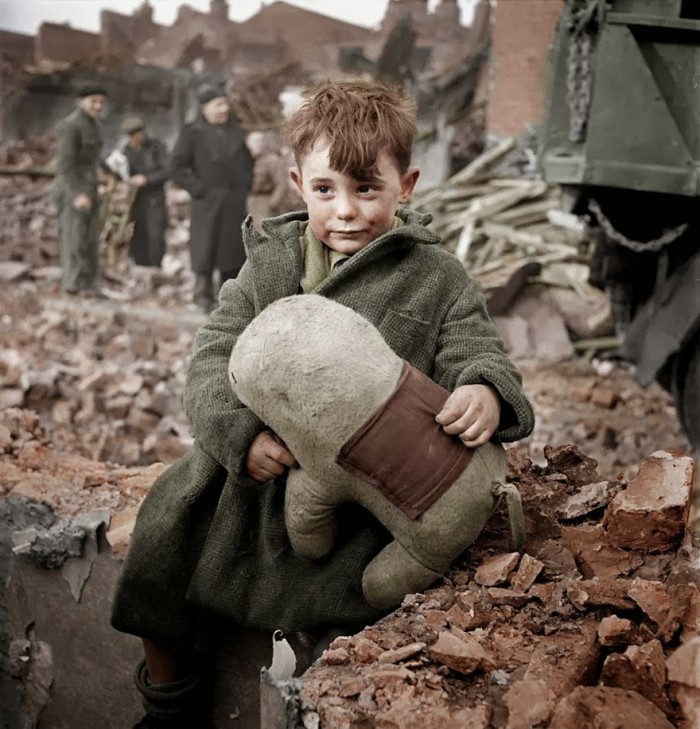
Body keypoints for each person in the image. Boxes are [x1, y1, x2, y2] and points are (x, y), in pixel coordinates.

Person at [112, 79, 535, 728]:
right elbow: (212, 355)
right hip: (260, 472)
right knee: (168, 529)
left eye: (368, 189)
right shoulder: (269, 265)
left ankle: (318, 691)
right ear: (296, 183)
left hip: (357, 488)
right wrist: (239, 434)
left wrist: (480, 388)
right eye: (325, 189)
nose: (346, 212)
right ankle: (171, 699)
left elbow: (475, 346)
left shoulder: (434, 276)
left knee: (349, 594)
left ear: (408, 184)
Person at [170, 84, 253, 312]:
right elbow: (176, 167)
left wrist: (244, 186)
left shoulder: (235, 131)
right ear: (204, 108)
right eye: (217, 105)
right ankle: (202, 296)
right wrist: (198, 189)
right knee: (206, 248)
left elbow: (247, 163)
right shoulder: (192, 132)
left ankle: (229, 298)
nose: (223, 109)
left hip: (233, 201)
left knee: (232, 251)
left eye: (225, 104)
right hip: (207, 201)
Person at [52, 84, 108, 297]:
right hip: (71, 189)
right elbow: (65, 165)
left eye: (101, 102)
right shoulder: (70, 126)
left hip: (89, 187)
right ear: (81, 101)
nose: (97, 106)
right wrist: (77, 193)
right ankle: (72, 285)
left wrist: (109, 171)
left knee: (90, 238)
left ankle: (90, 283)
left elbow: (94, 158)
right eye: (93, 101)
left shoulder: (94, 125)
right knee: (74, 237)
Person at [120, 115, 169, 268]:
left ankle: (156, 267)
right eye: (131, 135)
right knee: (138, 234)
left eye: (137, 134)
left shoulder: (156, 147)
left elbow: (167, 170)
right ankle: (140, 266)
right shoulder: (126, 151)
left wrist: (146, 179)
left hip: (154, 198)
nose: (134, 138)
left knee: (155, 234)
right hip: (136, 199)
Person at [246, 129, 304, 231]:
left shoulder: (272, 160)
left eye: (259, 142)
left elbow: (282, 184)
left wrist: (272, 203)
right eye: (253, 143)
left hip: (266, 200)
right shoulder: (251, 160)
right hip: (254, 200)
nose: (256, 146)